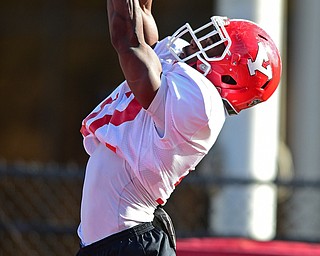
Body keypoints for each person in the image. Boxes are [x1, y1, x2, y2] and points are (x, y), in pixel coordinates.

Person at [76, 0, 282, 255]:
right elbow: (143, 25)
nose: (200, 42)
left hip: (130, 244)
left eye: (214, 44)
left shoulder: (203, 104)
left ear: (232, 77)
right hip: (114, 242)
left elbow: (129, 43)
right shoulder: (188, 74)